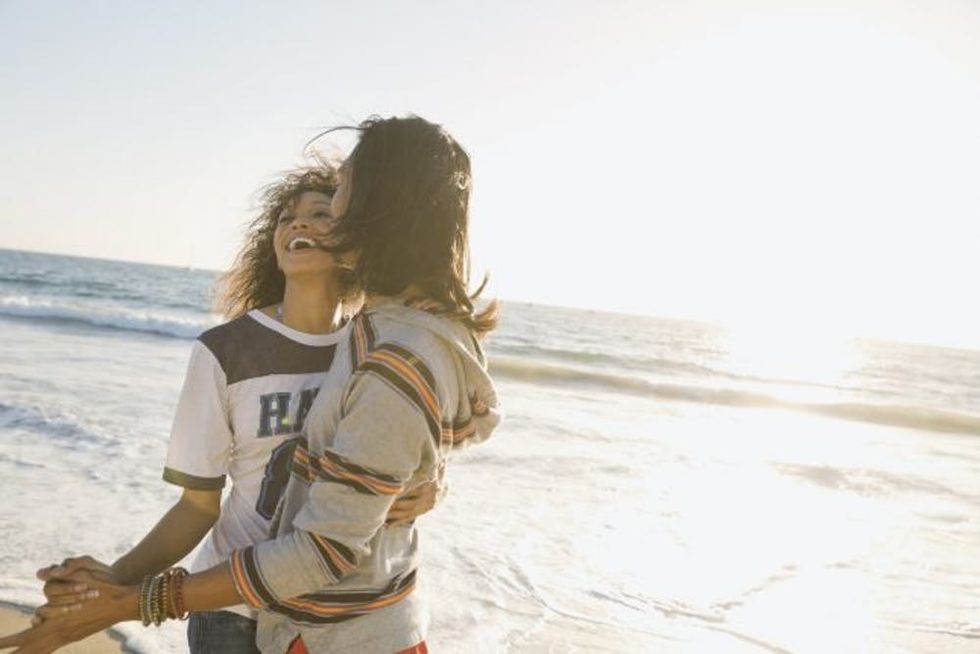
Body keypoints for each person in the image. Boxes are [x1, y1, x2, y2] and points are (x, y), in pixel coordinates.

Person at [0, 114, 500, 654]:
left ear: (369, 217)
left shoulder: (378, 350)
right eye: (287, 217)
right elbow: (199, 506)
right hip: (234, 608)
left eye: (329, 205)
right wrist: (114, 586)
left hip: (332, 618)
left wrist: (429, 481)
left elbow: (452, 420)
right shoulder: (235, 350)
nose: (306, 221)